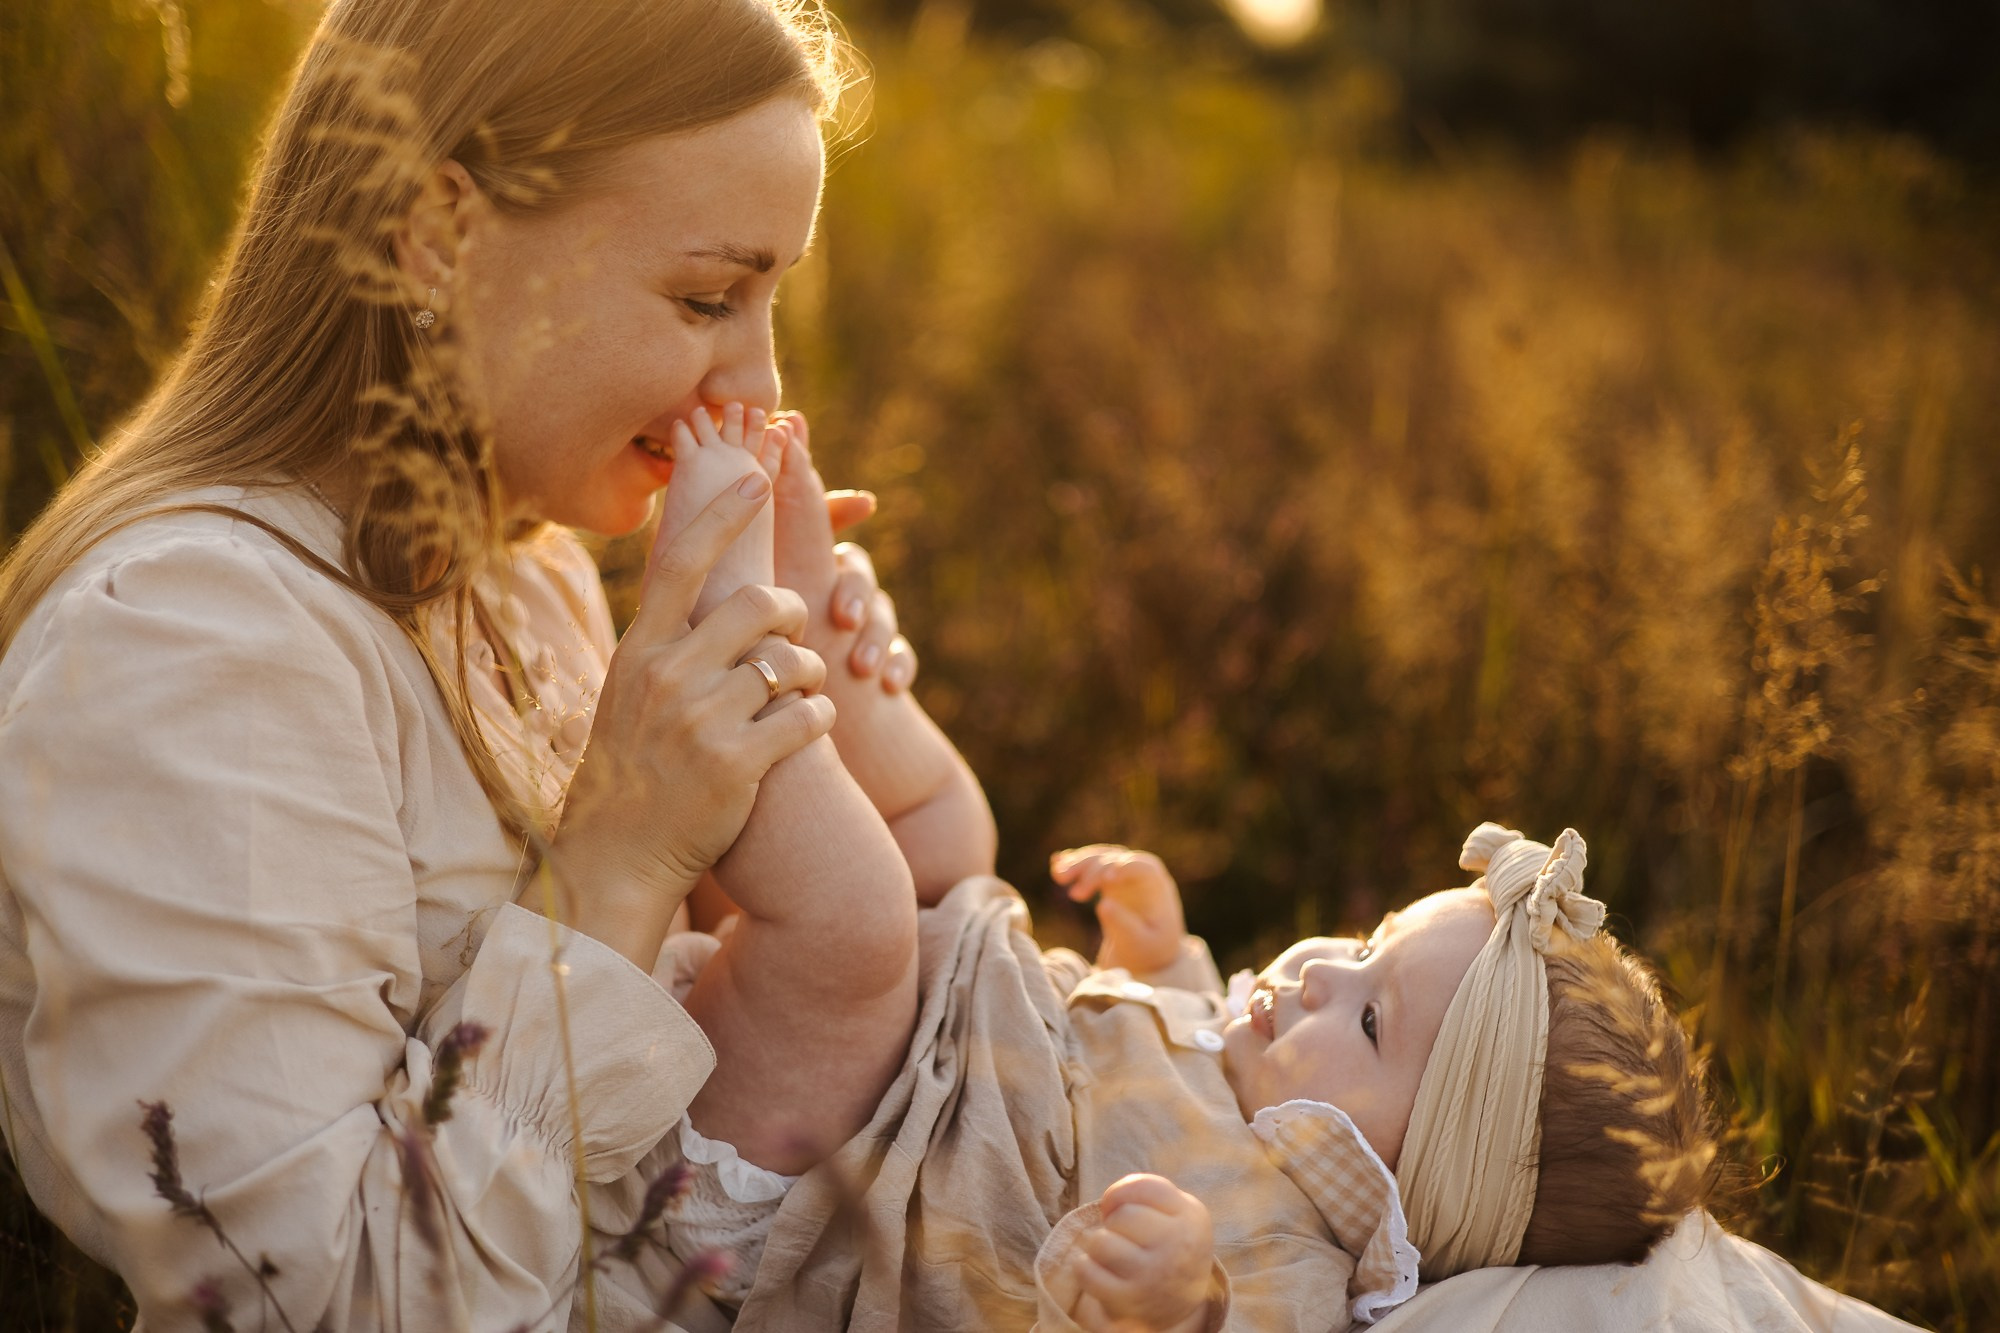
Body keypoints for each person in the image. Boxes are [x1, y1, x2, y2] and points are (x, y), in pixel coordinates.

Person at [0, 0, 990, 1328]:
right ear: (437, 234)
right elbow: (325, 1298)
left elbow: (724, 1059)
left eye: (770, 299)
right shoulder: (192, 644)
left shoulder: (527, 575)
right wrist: (620, 853)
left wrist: (822, 707)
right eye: (708, 296)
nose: (758, 380)